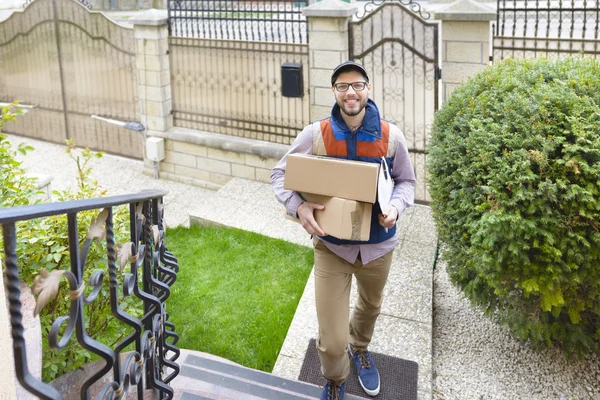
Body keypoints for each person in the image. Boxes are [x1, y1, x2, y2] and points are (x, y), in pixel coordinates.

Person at [270, 61, 416, 400]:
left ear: (368, 89)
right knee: (332, 340)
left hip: (378, 248)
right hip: (332, 250)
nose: (350, 92)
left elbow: (407, 182)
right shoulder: (316, 133)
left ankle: (360, 348)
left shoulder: (390, 135)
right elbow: (280, 175)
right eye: (342, 86)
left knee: (370, 307)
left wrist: (395, 207)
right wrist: (298, 206)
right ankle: (335, 381)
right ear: (334, 92)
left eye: (357, 85)